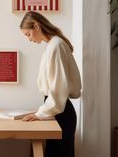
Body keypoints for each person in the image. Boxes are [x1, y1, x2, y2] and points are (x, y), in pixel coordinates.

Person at [20, 11, 82, 157]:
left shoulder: (56, 46)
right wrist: (40, 112)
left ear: (36, 26)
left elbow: (59, 88)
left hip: (61, 112)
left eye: (28, 34)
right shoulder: (52, 45)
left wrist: (40, 113)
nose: (29, 39)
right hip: (57, 109)